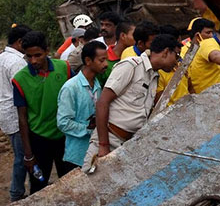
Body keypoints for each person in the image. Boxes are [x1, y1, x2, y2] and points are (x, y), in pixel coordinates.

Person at [83, 35, 181, 170]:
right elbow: (102, 103)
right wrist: (103, 145)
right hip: (110, 139)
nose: (177, 62)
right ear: (165, 53)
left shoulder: (154, 77)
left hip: (126, 145)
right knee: (89, 183)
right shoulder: (131, 66)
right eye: (176, 56)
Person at [12, 31, 73, 194]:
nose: (33, 60)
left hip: (64, 136)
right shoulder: (19, 79)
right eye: (29, 56)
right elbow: (22, 118)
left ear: (47, 51)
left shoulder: (64, 68)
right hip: (39, 139)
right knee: (39, 186)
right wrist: (28, 154)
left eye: (38, 55)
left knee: (70, 181)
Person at [0, 24, 31, 202]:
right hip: (16, 114)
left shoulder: (2, 57)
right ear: (20, 42)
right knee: (24, 154)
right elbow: (25, 89)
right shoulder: (17, 62)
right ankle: (16, 193)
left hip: (4, 112)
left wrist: (2, 93)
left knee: (21, 153)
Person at [57, 41, 108, 170]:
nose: (106, 64)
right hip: (77, 155)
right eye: (101, 60)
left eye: (106, 60)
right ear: (88, 61)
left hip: (94, 150)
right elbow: (63, 122)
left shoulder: (97, 85)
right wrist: (89, 130)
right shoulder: (70, 88)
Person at [165, 18, 216, 104]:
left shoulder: (215, 48)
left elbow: (189, 84)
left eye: (212, 32)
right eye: (208, 33)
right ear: (197, 35)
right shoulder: (183, 54)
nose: (211, 36)